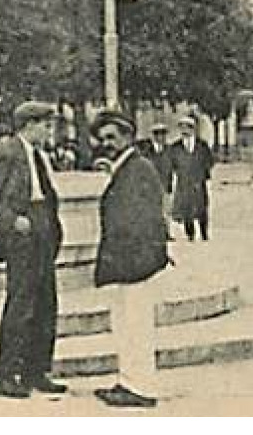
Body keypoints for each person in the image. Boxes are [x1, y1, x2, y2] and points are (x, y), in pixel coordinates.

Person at [0, 100, 66, 399]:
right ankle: (6, 375)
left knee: (45, 304)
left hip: (42, 231)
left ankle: (36, 371)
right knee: (21, 305)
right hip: (23, 236)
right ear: (29, 125)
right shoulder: (8, 153)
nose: (49, 131)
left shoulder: (36, 155)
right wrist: (12, 222)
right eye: (45, 125)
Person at [90, 109, 171, 409]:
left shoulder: (138, 170)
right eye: (103, 139)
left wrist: (133, 261)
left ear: (128, 137)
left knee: (135, 326)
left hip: (135, 264)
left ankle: (140, 387)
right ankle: (129, 380)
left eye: (112, 137)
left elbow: (139, 220)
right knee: (126, 325)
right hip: (131, 263)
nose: (107, 143)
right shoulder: (128, 168)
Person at [169, 116, 215, 241]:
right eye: (182, 127)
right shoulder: (175, 147)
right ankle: (190, 234)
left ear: (193, 129)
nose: (184, 130)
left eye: (187, 127)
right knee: (186, 207)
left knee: (201, 206)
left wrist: (204, 173)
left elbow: (209, 161)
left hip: (198, 181)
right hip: (183, 182)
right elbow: (171, 164)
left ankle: (204, 233)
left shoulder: (202, 146)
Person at [136, 124, 175, 221]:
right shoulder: (147, 152)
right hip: (151, 186)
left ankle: (166, 233)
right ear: (155, 136)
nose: (162, 137)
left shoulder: (170, 150)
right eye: (159, 134)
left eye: (163, 134)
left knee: (166, 211)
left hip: (166, 186)